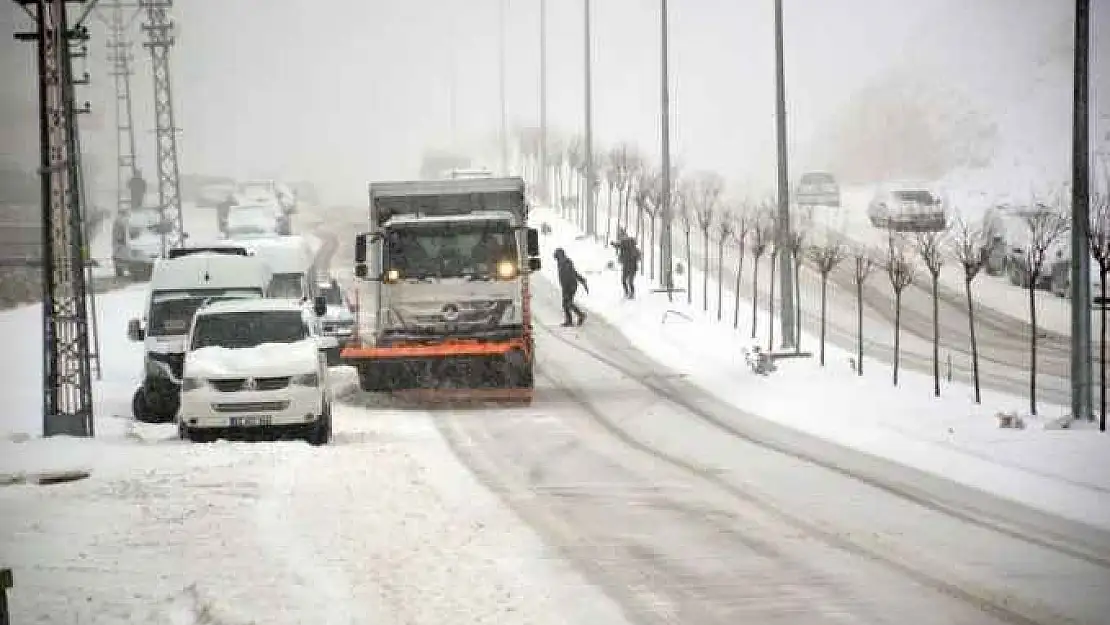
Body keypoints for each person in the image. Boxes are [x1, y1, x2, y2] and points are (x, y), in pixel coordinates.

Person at [554, 247, 588, 326]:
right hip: (568, 286)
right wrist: (582, 280)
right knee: (567, 303)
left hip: (570, 286)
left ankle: (579, 316)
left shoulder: (564, 263)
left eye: (556, 255)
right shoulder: (564, 262)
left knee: (567, 303)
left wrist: (566, 289)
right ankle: (572, 319)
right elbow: (574, 272)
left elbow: (570, 275)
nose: (555, 257)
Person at [610, 228, 640, 299]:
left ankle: (627, 293)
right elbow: (638, 256)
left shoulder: (624, 243)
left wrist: (613, 243)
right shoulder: (632, 244)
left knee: (624, 280)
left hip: (627, 265)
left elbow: (618, 245)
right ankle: (631, 294)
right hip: (633, 266)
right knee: (630, 281)